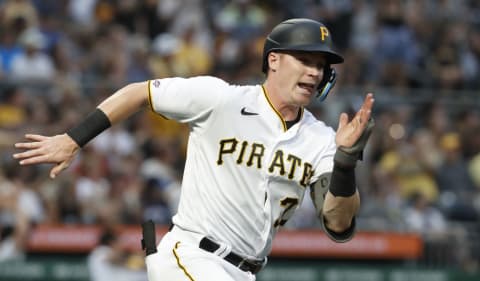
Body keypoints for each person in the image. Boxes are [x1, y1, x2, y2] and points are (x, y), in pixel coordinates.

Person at [13, 18, 375, 281]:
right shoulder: (221, 99)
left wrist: (344, 163)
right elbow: (140, 92)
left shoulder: (323, 140)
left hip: (244, 272)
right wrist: (74, 138)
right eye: (306, 60)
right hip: (192, 257)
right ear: (274, 60)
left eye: (321, 65)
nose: (315, 72)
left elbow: (339, 226)